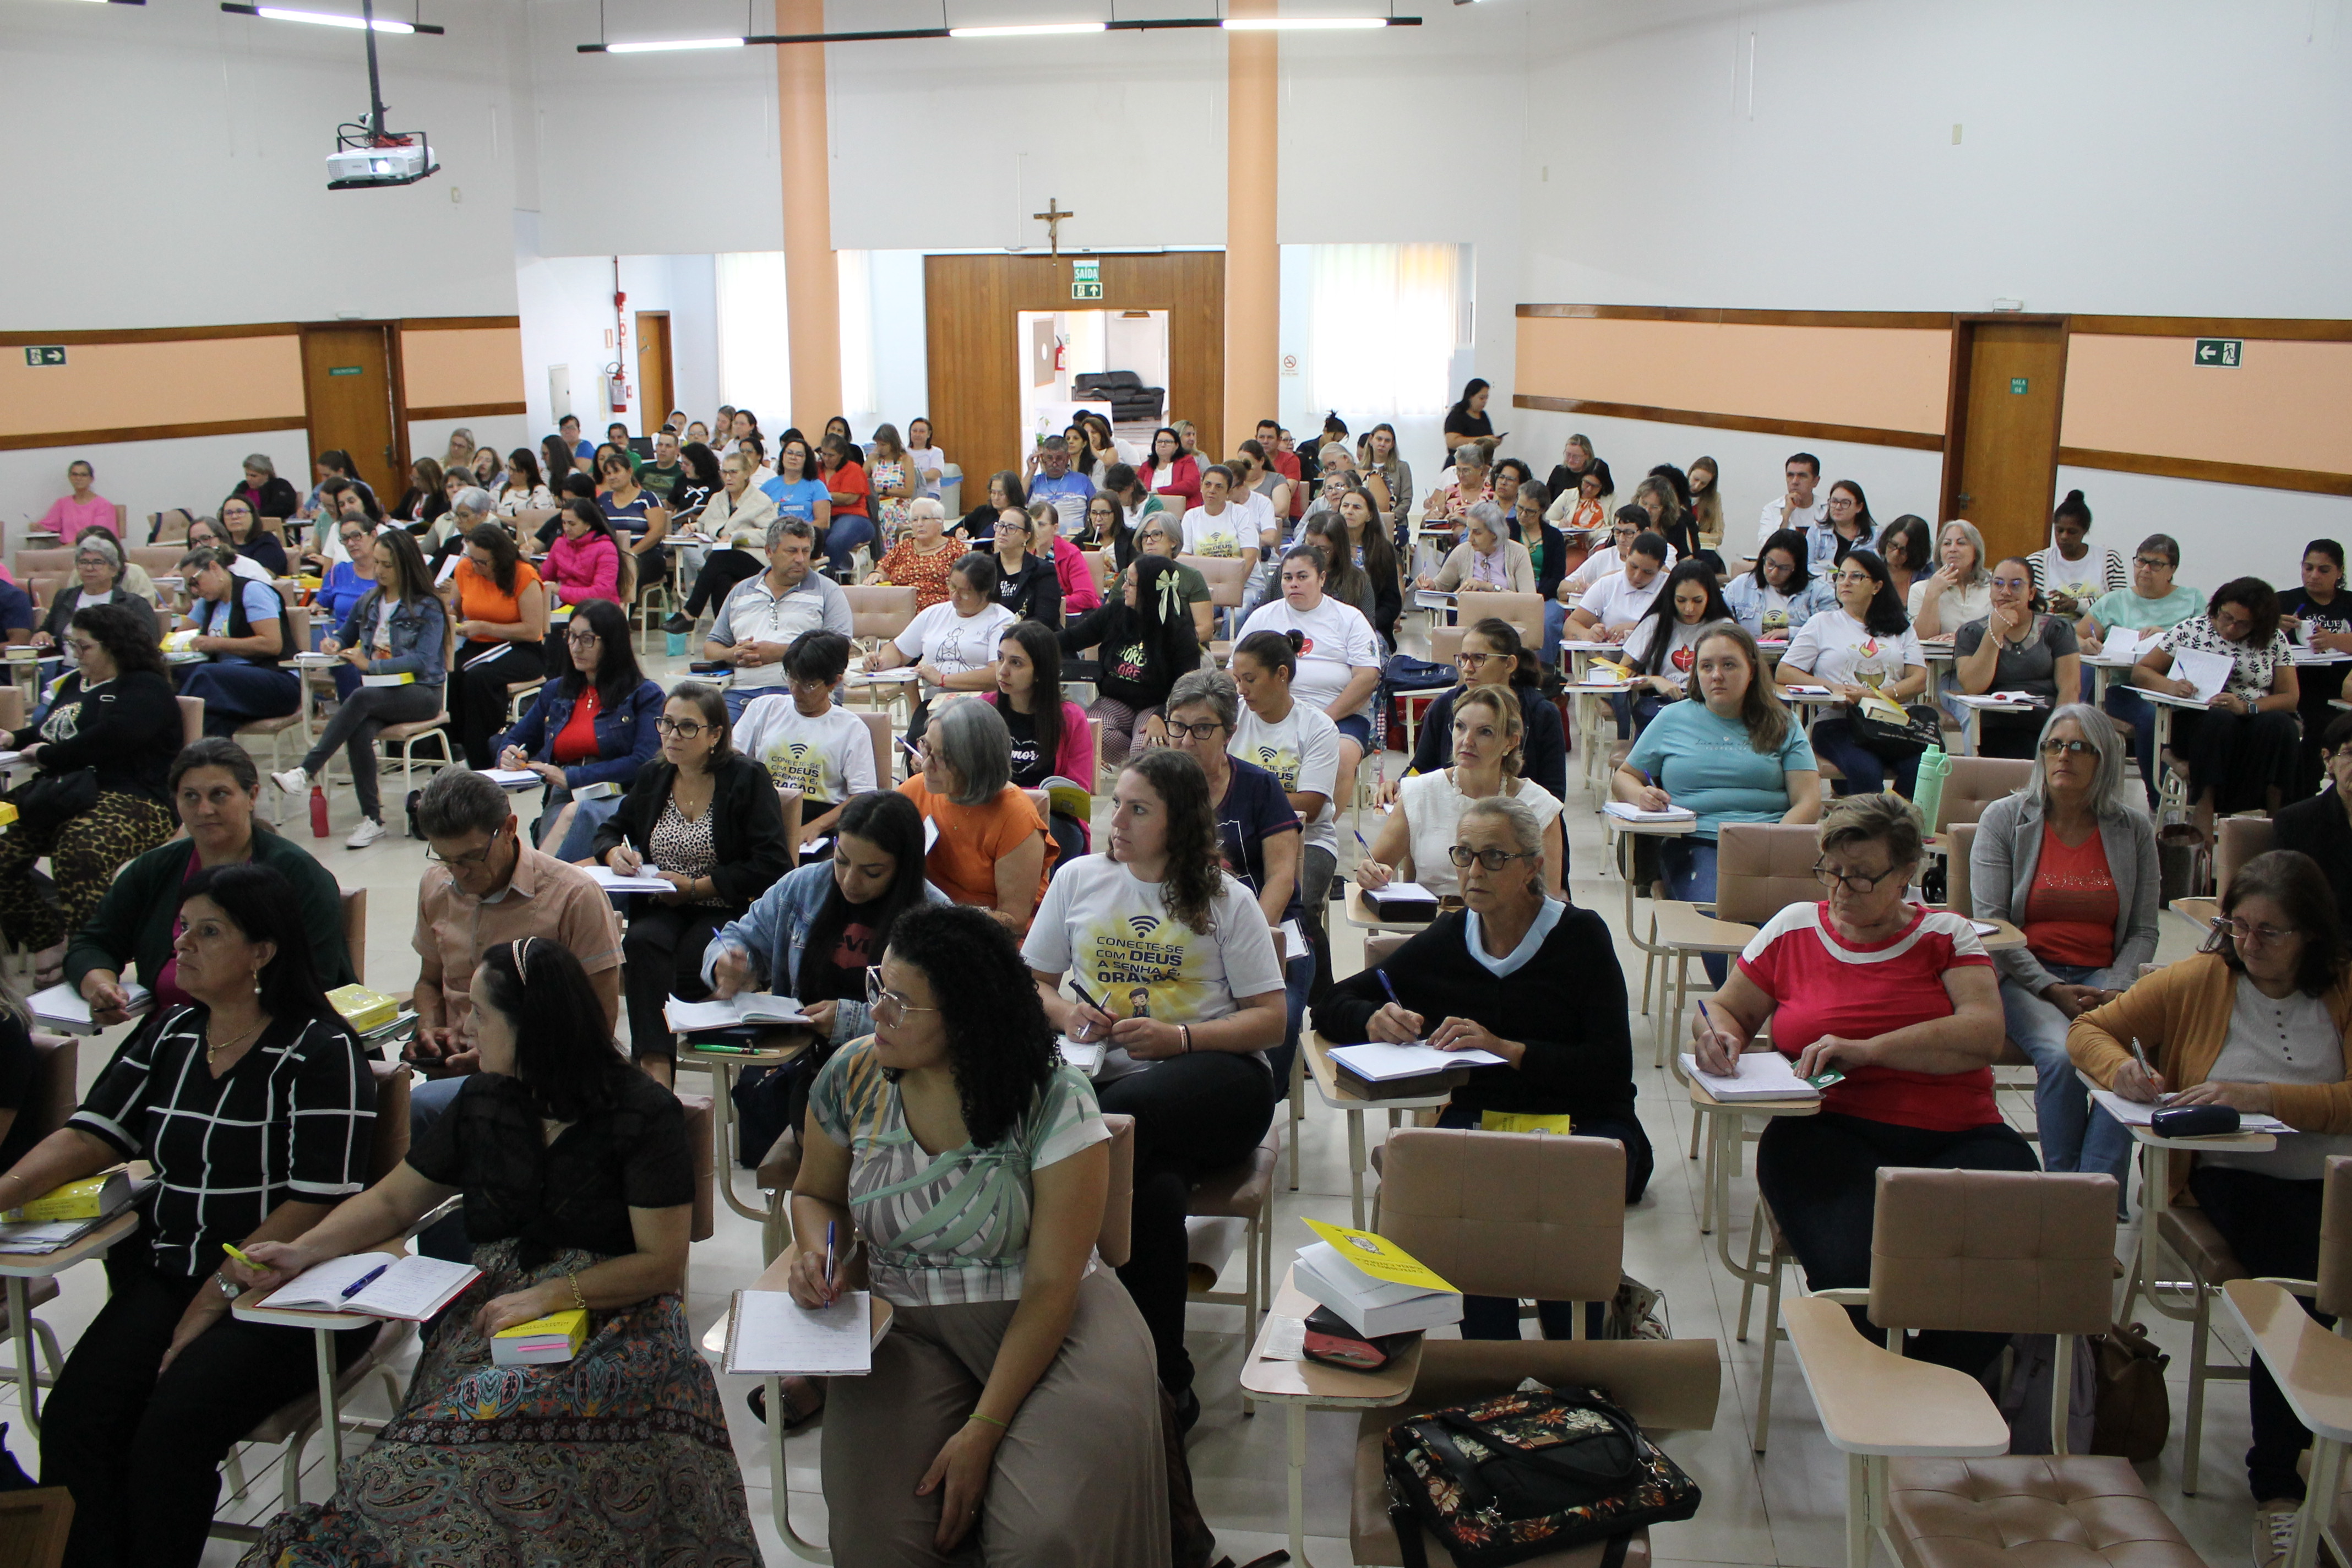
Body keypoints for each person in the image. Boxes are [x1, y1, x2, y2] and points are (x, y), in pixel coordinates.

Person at [232, 934, 757, 1565]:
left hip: (617, 1322)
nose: (465, 1027)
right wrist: (303, 1250)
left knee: (470, 1435)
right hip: (498, 1311)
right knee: (420, 1457)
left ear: (530, 1027)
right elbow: (393, 1202)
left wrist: (554, 1293)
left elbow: (660, 1263)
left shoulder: (641, 1112)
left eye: (480, 1014)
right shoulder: (486, 1099)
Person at [787, 902, 1172, 1563]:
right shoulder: (853, 1074)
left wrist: (984, 1428)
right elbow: (815, 1193)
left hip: (1050, 1324)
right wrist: (816, 1251)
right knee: (877, 1540)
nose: (876, 1013)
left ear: (965, 1018)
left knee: (1041, 1539)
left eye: (900, 1003)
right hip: (904, 1325)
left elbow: (1052, 1285)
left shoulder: (1054, 1098)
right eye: (879, 988)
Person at [25, 862, 378, 1568]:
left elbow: (317, 1198)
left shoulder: (319, 1048)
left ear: (262, 951)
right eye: (183, 928)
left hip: (284, 1292)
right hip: (174, 1272)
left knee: (172, 1432)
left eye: (208, 932)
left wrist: (214, 1296)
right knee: (76, 1418)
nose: (181, 944)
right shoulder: (174, 1031)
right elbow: (92, 1134)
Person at [2068, 850, 2352, 1544]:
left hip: (2336, 1178)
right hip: (2234, 1175)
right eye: (2237, 927)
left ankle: (2324, 1434)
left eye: (2269, 932)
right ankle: (2279, 1488)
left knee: (2316, 1272)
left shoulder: (2343, 988)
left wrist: (2263, 1096)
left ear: (2312, 935)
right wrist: (2122, 1069)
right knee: (2300, 1290)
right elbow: (2088, 1030)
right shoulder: (2203, 978)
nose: (2248, 944)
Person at [1692, 793, 2027, 1376]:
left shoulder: (1947, 935)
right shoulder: (1794, 927)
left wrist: (1870, 1050)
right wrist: (1717, 1035)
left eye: (1862, 876)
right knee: (1853, 1273)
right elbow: (1727, 1009)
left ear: (1905, 874)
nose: (1842, 890)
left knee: (2006, 1262)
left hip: (1957, 1133)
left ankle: (1927, 1384)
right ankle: (1897, 1387)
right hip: (1829, 1130)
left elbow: (1983, 1034)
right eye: (1832, 871)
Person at [1325, 794, 1656, 1330]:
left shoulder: (1581, 937)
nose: (1474, 872)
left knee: (1549, 1220)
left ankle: (1576, 1355)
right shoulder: (1451, 937)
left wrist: (1509, 1050)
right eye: (1464, 854)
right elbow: (1333, 1001)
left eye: (1494, 857)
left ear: (1532, 867)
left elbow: (1611, 1070)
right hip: (1484, 1123)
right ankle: (1492, 1360)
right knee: (1471, 1227)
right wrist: (1373, 1018)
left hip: (1584, 1121)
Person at [1023, 749, 1284, 1423]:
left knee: (1116, 1118)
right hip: (1111, 1087)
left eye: (1138, 810)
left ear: (1180, 823)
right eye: (1117, 803)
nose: (1116, 821)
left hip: (1219, 1082)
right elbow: (1034, 983)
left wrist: (1181, 1039)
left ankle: (1058, 1180)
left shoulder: (1226, 899)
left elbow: (1271, 1020)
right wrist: (1068, 1014)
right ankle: (1166, 1384)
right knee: (1153, 1189)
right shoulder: (1079, 879)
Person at [1966, 704, 2155, 1188]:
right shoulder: (2004, 819)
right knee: (2063, 1055)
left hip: (2104, 978)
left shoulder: (2133, 829)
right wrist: (2050, 987)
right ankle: (2069, 1193)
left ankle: (2096, 1195)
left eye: (2079, 747)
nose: (2063, 756)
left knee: (2127, 1062)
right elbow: (1993, 929)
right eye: (2054, 745)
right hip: (2025, 976)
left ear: (2104, 760)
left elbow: (2144, 930)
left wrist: (2115, 988)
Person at [70, 736, 353, 1035]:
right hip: (168, 1037)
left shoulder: (299, 876)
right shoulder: (155, 869)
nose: (204, 810)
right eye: (191, 796)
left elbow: (310, 983)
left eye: (219, 795)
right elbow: (92, 943)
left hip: (269, 1039)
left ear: (252, 796)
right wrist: (101, 987)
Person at [405, 769, 623, 1145]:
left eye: (472, 857)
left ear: (509, 828)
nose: (460, 874)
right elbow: (429, 981)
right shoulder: (436, 885)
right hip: (457, 1067)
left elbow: (599, 1027)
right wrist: (431, 1032)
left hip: (541, 1081)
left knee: (421, 1107)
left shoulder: (573, 896)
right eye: (445, 859)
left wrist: (500, 1059)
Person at [594, 682, 790, 1081]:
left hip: (724, 909)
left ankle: (655, 1071)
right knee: (641, 944)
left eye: (686, 727)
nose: (671, 736)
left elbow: (772, 864)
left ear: (715, 734)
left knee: (678, 963)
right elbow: (609, 831)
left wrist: (698, 887)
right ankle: (657, 1069)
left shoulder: (747, 778)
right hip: (663, 905)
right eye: (666, 724)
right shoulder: (654, 776)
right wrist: (616, 854)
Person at [1619, 623, 1822, 983]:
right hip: (1697, 843)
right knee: (1721, 919)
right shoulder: (1672, 718)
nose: (1717, 675)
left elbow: (1808, 801)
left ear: (1752, 670)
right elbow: (1625, 776)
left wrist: (1770, 846)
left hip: (1773, 845)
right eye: (1706, 666)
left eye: (1729, 665)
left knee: (1789, 925)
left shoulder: (1782, 722)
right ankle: (1746, 1007)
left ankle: (1774, 1006)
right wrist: (1642, 795)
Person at [0, 603, 181, 973]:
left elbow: (111, 738)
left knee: (80, 849)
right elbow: (52, 730)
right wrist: (14, 738)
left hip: (135, 797)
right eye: (72, 645)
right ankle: (46, 936)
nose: (76, 654)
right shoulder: (74, 684)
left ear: (114, 647)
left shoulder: (145, 687)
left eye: (84, 647)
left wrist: (48, 755)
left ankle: (95, 957)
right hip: (65, 792)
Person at [1160, 668, 1311, 1088]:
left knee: (1276, 1022)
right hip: (1181, 932)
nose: (1186, 741)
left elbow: (1281, 878)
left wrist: (1250, 939)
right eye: (1178, 726)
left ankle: (1257, 1104)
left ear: (1230, 731)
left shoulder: (1260, 787)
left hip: (1269, 929)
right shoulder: (1153, 789)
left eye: (1202, 729)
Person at [270, 527, 447, 845]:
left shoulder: (427, 606)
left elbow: (422, 660)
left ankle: (305, 770)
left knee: (361, 698)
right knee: (360, 728)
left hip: (422, 693)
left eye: (387, 565)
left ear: (406, 566)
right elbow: (345, 633)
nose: (379, 571)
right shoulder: (370, 600)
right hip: (380, 693)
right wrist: (335, 643)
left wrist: (371, 665)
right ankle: (372, 819)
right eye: (377, 563)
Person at [492, 596, 663, 862]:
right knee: (566, 816)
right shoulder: (557, 691)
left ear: (612, 643)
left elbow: (644, 762)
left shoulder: (644, 695)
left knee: (574, 817)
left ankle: (536, 878)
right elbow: (516, 738)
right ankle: (540, 878)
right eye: (571, 636)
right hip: (563, 794)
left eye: (587, 639)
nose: (575, 647)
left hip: (621, 795)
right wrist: (509, 753)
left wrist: (573, 777)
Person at [1359, 684, 1566, 900]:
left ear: (1511, 742)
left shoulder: (1540, 806)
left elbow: (1548, 900)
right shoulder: (1419, 792)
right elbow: (1376, 866)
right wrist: (1370, 874)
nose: (1467, 741)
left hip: (1509, 921)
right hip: (1432, 919)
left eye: (1485, 732)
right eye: (1460, 727)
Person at [2132, 575, 2300, 841]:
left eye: (2243, 624)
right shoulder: (2192, 629)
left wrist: (2246, 707)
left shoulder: (2273, 639)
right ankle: (2204, 805)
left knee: (2282, 725)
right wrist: (2171, 686)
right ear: (2217, 608)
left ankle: (2277, 818)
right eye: (2226, 617)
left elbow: (2290, 697)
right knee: (2219, 720)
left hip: (2250, 720)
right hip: (2198, 721)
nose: (2231, 628)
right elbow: (2142, 671)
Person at [1781, 548, 1930, 796]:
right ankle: (1866, 819)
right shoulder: (1822, 623)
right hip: (1839, 722)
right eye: (1841, 576)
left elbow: (1919, 680)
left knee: (1922, 767)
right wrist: (1833, 688)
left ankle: (1898, 818)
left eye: (1856, 576)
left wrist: (1873, 696)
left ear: (1877, 586)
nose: (1845, 582)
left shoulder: (1900, 627)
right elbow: (1785, 672)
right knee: (1866, 770)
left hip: (1892, 721)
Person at [899, 698, 1053, 930]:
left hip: (985, 934)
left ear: (976, 763)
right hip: (927, 924)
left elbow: (1014, 921)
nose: (926, 765)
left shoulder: (1015, 818)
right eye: (925, 747)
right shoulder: (914, 791)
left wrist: (943, 917)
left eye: (941, 758)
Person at [1236, 543, 1382, 781]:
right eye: (1288, 578)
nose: (1294, 584)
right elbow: (1234, 671)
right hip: (1268, 715)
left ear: (1322, 578)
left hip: (1337, 717)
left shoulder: (1351, 618)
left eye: (1302, 577)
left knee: (1341, 756)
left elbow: (1368, 677)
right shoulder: (1262, 617)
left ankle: (1321, 808)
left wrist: (1323, 720)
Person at [2081, 532, 2206, 802]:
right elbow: (2076, 636)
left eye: (2156, 564)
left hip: (2179, 687)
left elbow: (2206, 644)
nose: (2145, 569)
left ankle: (2199, 798)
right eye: (2141, 561)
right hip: (2126, 688)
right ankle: (2159, 799)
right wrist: (2087, 643)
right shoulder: (2115, 601)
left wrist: (2168, 637)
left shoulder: (2192, 600)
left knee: (2208, 720)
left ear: (2172, 570)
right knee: (2151, 716)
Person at [1392, 618, 1567, 804]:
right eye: (1463, 658)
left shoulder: (1542, 714)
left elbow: (1553, 795)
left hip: (1519, 815)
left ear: (1509, 664)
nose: (1467, 668)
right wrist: (1401, 785)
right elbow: (1420, 768)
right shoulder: (1444, 706)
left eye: (1478, 659)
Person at [737, 630, 878, 853]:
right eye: (791, 678)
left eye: (808, 685)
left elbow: (862, 797)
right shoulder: (764, 708)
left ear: (834, 682)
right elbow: (734, 759)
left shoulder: (852, 729)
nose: (795, 691)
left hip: (820, 820)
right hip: (764, 812)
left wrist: (817, 826)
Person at [1061, 553, 1203, 767]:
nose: (1124, 587)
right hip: (1115, 700)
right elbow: (1073, 638)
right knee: (1095, 731)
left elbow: (1188, 686)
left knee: (1147, 746)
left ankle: (1140, 774)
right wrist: (1033, 641)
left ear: (1148, 590)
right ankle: (1136, 772)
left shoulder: (1179, 631)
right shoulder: (1116, 611)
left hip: (1157, 705)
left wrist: (1161, 716)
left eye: (1131, 583)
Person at [867, 552, 1017, 747]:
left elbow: (996, 673)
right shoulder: (934, 613)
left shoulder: (1001, 620)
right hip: (934, 705)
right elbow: (898, 650)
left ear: (985, 592)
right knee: (918, 739)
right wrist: (880, 662)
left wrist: (943, 679)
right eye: (952, 586)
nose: (955, 596)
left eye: (964, 592)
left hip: (979, 707)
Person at [983, 621, 1093, 868]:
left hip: (1051, 820)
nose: (1002, 671)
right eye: (1000, 659)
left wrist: (1021, 801)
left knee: (1032, 836)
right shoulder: (985, 708)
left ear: (1040, 671)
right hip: (991, 813)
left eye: (1016, 663)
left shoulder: (1070, 719)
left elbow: (1077, 793)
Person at [1953, 555, 2083, 759]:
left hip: (2045, 723)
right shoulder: (1972, 632)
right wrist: (1995, 631)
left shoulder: (2057, 629)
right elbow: (1972, 685)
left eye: (2015, 585)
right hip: (1996, 725)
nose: (2005, 592)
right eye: (1998, 584)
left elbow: (2070, 688)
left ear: (2031, 593)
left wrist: (2057, 733)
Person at [444, 520, 549, 769]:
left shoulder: (523, 575)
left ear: (499, 559)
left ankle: (486, 756)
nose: (475, 566)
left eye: (482, 562)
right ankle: (456, 746)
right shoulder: (465, 569)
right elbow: (456, 608)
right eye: (471, 558)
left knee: (479, 678)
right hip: (478, 645)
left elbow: (532, 630)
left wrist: (485, 627)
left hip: (521, 648)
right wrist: (449, 615)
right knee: (450, 673)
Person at [175, 544, 297, 738]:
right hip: (229, 686)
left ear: (214, 568)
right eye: (189, 587)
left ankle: (170, 728)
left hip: (276, 680)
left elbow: (273, 644)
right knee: (209, 714)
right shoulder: (208, 602)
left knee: (206, 675)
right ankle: (201, 754)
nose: (195, 591)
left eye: (195, 582)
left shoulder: (252, 591)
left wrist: (217, 643)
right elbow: (180, 636)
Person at [1616, 558, 1736, 732]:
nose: (1689, 609)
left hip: (1709, 707)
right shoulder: (1655, 624)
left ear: (1710, 597)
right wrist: (1654, 681)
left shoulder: (1724, 627)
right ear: (1671, 597)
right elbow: (1621, 675)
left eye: (1697, 601)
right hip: (1661, 707)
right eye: (1681, 600)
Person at [666, 449, 775, 633]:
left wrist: (737, 537)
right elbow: (703, 523)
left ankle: (690, 613)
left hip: (755, 560)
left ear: (746, 474)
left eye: (734, 472)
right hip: (724, 560)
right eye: (725, 472)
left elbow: (770, 535)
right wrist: (692, 528)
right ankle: (723, 633)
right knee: (720, 579)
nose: (728, 477)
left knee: (718, 557)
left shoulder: (761, 501)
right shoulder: (718, 498)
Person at [2280, 538, 2352, 793]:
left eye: (2324, 570)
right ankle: (2302, 796)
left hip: (2341, 691)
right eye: (2308, 568)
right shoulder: (2285, 601)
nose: (2313, 576)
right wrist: (2274, 627)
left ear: (2340, 572)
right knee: (2315, 730)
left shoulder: (2348, 603)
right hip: (2299, 689)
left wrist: (2334, 640)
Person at [31, 532, 158, 658]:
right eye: (83, 562)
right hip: (67, 666)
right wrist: (42, 634)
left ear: (114, 570)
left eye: (98, 563)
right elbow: (46, 629)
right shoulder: (65, 597)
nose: (89, 568)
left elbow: (148, 645)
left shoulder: (133, 604)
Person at [2278, 712, 2352, 921]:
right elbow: (2288, 902)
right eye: (2350, 753)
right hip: (2325, 936)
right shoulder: (2295, 822)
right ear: (2328, 760)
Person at [1303, 508, 1397, 650]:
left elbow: (1366, 630)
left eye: (1322, 550)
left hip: (1342, 647)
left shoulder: (1359, 581)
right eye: (1309, 544)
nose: (1312, 554)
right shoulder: (1287, 574)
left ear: (1338, 549)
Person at [1565, 523, 1672, 644]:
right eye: (1633, 566)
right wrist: (1589, 634)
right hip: (1608, 654)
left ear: (1661, 568)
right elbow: (1571, 625)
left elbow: (1677, 626)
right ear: (1628, 553)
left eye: (1648, 572)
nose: (1637, 576)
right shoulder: (1607, 584)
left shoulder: (1670, 587)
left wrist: (1635, 627)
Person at [1119, 514, 1216, 642]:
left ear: (1173, 542)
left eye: (1156, 535)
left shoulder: (1192, 577)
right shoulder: (1128, 575)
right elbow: (1109, 619)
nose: (1149, 541)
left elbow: (1206, 629)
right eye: (1145, 536)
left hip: (1185, 647)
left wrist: (1169, 643)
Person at [2032, 490, 2125, 616]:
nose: (2064, 537)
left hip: (2096, 628)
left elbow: (2120, 605)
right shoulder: (2038, 562)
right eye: (2060, 530)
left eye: (2072, 532)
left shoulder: (2108, 559)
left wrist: (2078, 605)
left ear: (2085, 531)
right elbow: (2029, 606)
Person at [1727, 527, 1831, 640]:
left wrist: (1791, 633)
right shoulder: (1740, 586)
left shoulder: (1819, 592)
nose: (1774, 573)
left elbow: (1831, 630)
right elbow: (1721, 624)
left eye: (1784, 568)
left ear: (1797, 568)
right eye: (1770, 563)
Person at [1422, 501, 1535, 595]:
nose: (1470, 539)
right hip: (1470, 615)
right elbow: (1440, 586)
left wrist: (1489, 587)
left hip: (1507, 615)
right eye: (1469, 530)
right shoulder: (1462, 551)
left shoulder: (1519, 553)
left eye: (1477, 533)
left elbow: (1529, 600)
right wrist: (1429, 585)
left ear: (1495, 533)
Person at [871, 496, 962, 609]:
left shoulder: (955, 548)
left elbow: (965, 584)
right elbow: (881, 571)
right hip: (901, 609)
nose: (919, 524)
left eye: (925, 519)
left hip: (939, 610)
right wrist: (875, 575)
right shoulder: (903, 548)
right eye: (915, 520)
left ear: (940, 522)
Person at [1909, 519, 1994, 638]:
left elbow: (2002, 634)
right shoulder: (1920, 589)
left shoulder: (1994, 586)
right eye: (1947, 544)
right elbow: (1922, 639)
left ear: (1976, 551)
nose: (1952, 549)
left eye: (1961, 543)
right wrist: (1932, 595)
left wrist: (1961, 639)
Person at [542, 497, 630, 608]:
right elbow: (544, 577)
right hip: (568, 606)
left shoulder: (606, 548)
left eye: (572, 524)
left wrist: (560, 590)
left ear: (588, 525)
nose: (566, 529)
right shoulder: (560, 544)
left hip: (600, 608)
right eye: (564, 523)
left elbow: (601, 593)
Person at [988, 506, 1063, 623]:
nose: (1003, 532)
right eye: (1000, 526)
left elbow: (1046, 618)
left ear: (1026, 536)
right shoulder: (984, 567)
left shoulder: (1043, 570)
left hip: (1029, 632)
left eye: (1011, 528)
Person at [308, 513, 379, 630]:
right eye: (345, 539)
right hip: (343, 638)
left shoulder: (390, 572)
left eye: (356, 536)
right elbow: (321, 602)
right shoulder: (338, 572)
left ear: (373, 536)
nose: (351, 543)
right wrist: (316, 608)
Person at [1179, 464, 1255, 560]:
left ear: (1228, 492)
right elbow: (1184, 556)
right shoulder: (1191, 516)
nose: (1212, 490)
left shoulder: (1241, 513)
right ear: (1201, 486)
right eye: (1207, 485)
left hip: (1238, 570)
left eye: (1219, 487)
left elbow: (1250, 557)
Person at [1755, 450, 1828, 548]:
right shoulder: (1772, 509)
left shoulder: (1828, 509)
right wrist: (1786, 513)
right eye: (1790, 475)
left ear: (1815, 481)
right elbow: (1766, 547)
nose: (1795, 481)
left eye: (1802, 476)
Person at [818, 433, 873, 557]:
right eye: (824, 454)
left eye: (831, 455)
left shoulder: (853, 469)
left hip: (854, 516)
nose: (826, 459)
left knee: (836, 540)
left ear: (841, 454)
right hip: (824, 516)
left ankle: (829, 569)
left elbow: (849, 499)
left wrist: (819, 497)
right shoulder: (817, 469)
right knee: (814, 538)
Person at [1800, 478, 1874, 571]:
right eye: (1834, 502)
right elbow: (1806, 564)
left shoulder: (1875, 536)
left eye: (1845, 503)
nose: (1838, 507)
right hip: (1823, 580)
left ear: (1859, 507)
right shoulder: (1817, 531)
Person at [36, 458, 114, 540]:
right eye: (75, 475)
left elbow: (98, 535)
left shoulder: (103, 505)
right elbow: (50, 524)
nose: (79, 478)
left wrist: (66, 547)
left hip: (91, 546)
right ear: (70, 478)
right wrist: (37, 527)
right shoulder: (62, 503)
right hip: (66, 546)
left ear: (91, 479)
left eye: (84, 475)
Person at [215, 496, 288, 578]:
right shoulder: (221, 543)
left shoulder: (267, 542)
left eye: (240, 512)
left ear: (253, 516)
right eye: (229, 513)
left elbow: (264, 576)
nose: (234, 517)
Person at [1137, 426, 1201, 511]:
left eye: (1168, 442)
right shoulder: (1147, 466)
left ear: (1177, 445)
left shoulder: (1187, 461)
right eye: (1159, 442)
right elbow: (1137, 488)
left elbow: (1190, 485)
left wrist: (1159, 491)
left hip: (1183, 511)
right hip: (1152, 510)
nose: (1163, 445)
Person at [1876, 514, 1933, 606]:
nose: (1895, 554)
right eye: (1893, 545)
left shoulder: (1929, 575)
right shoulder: (1870, 566)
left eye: (1904, 551)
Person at [229, 453, 301, 524]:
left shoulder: (281, 486)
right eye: (247, 475)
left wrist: (249, 515)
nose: (249, 479)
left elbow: (280, 510)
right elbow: (231, 504)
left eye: (254, 476)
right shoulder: (243, 487)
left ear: (267, 474)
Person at [1442, 377, 1498, 458]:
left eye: (1486, 398)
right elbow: (1452, 443)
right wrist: (1481, 440)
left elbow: (1488, 438)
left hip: (1481, 460)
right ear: (1470, 397)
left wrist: (1494, 442)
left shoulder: (1483, 415)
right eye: (1481, 398)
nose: (1485, 401)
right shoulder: (1457, 415)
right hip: (1460, 460)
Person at [494, 447, 554, 516]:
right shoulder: (500, 488)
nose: (510, 473)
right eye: (509, 468)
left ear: (527, 472)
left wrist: (500, 518)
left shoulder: (540, 491)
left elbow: (537, 519)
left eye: (515, 470)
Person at [904, 415, 947, 499]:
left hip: (929, 493)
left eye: (922, 432)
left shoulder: (936, 452)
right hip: (907, 493)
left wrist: (909, 478)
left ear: (929, 434)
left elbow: (934, 475)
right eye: (914, 431)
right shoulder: (904, 452)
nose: (917, 434)